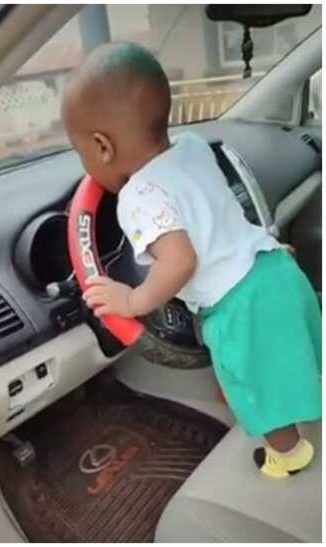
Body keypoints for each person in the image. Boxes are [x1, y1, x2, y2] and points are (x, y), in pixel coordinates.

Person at [61, 42, 321, 478]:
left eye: (80, 152)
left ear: (102, 147)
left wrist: (132, 302)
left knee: (257, 387)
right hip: (274, 266)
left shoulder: (137, 198)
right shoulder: (195, 147)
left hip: (240, 304)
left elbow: (179, 262)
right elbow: (216, 215)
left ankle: (289, 454)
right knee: (305, 346)